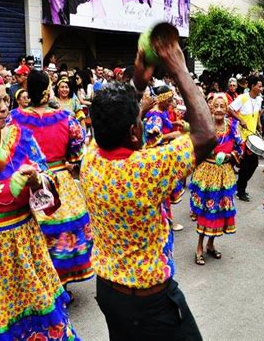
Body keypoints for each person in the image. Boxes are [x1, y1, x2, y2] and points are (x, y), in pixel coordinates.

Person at [80, 36, 215, 340]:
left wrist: (138, 84)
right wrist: (179, 68)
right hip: (149, 302)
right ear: (132, 132)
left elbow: (119, 117)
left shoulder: (90, 157)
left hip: (109, 291)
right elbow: (206, 135)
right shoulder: (146, 169)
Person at [0, 76, 77, 339]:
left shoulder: (21, 137)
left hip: (23, 250)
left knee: (38, 321)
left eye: (6, 100)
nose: (4, 107)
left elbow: (50, 198)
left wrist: (36, 180)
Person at [10, 70, 94, 298]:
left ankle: (38, 285)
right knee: (62, 233)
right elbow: (77, 153)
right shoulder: (66, 118)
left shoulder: (13, 119)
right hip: (59, 182)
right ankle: (62, 285)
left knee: (32, 234)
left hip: (26, 182)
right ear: (48, 91)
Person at [190, 93, 243, 265]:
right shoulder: (205, 126)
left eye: (223, 106)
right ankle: (199, 246)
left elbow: (240, 147)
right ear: (211, 108)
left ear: (227, 109)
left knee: (219, 211)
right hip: (206, 174)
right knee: (206, 210)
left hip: (224, 175)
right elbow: (194, 146)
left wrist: (230, 156)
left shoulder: (233, 126)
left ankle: (211, 245)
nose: (219, 109)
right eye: (216, 106)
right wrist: (208, 152)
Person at [143, 85, 185, 231]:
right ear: (162, 99)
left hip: (162, 157)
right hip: (156, 159)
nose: (171, 102)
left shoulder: (162, 113)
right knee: (162, 192)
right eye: (169, 99)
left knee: (164, 192)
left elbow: (163, 126)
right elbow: (152, 140)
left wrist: (174, 123)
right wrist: (172, 135)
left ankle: (166, 220)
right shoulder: (154, 116)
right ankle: (167, 222)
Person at [229, 76, 263, 202]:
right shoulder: (242, 97)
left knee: (253, 164)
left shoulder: (259, 99)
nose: (261, 89)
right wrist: (240, 120)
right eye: (259, 86)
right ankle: (240, 190)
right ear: (252, 86)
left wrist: (258, 123)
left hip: (252, 136)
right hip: (242, 138)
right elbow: (230, 109)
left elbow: (257, 113)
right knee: (247, 164)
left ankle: (239, 186)